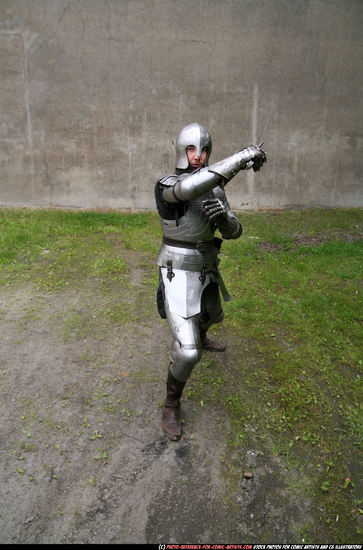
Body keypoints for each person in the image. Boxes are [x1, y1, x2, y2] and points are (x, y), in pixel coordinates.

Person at [154, 122, 266, 441]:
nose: (198, 155)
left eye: (203, 150)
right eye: (191, 149)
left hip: (206, 265)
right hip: (177, 269)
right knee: (188, 353)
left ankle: (201, 333)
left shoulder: (216, 189)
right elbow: (190, 190)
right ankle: (171, 406)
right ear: (181, 150)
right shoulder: (167, 185)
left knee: (213, 315)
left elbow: (235, 231)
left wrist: (224, 219)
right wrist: (242, 158)